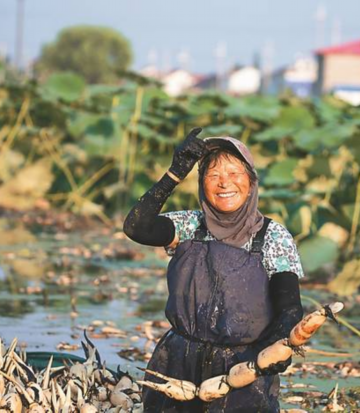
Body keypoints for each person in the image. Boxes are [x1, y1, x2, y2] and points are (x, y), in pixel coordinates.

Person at [123, 128, 304, 413]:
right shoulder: (189, 226)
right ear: (201, 183)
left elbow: (290, 307)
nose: (224, 184)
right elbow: (137, 227)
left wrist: (276, 349)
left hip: (244, 365)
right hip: (178, 359)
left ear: (251, 181)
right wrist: (174, 173)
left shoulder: (272, 236)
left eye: (235, 174)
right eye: (213, 175)